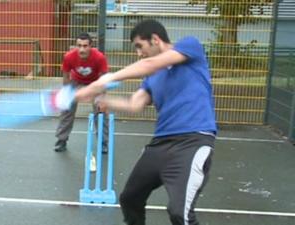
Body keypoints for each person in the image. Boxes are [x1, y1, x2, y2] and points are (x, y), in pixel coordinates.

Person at [75, 20, 217, 225]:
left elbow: (147, 64)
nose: (139, 53)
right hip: (159, 145)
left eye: (140, 46)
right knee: (130, 198)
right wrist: (101, 99)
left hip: (192, 141)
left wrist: (103, 81)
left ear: (156, 40)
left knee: (179, 213)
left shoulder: (190, 46)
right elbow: (135, 104)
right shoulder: (152, 77)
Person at [54, 32, 109, 153]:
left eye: (85, 46)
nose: (81, 49)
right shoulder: (69, 56)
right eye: (79, 45)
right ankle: (61, 140)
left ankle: (104, 143)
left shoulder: (99, 57)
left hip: (95, 82)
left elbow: (104, 79)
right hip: (76, 81)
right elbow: (66, 77)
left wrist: (101, 98)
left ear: (91, 46)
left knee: (101, 111)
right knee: (66, 109)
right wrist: (67, 95)